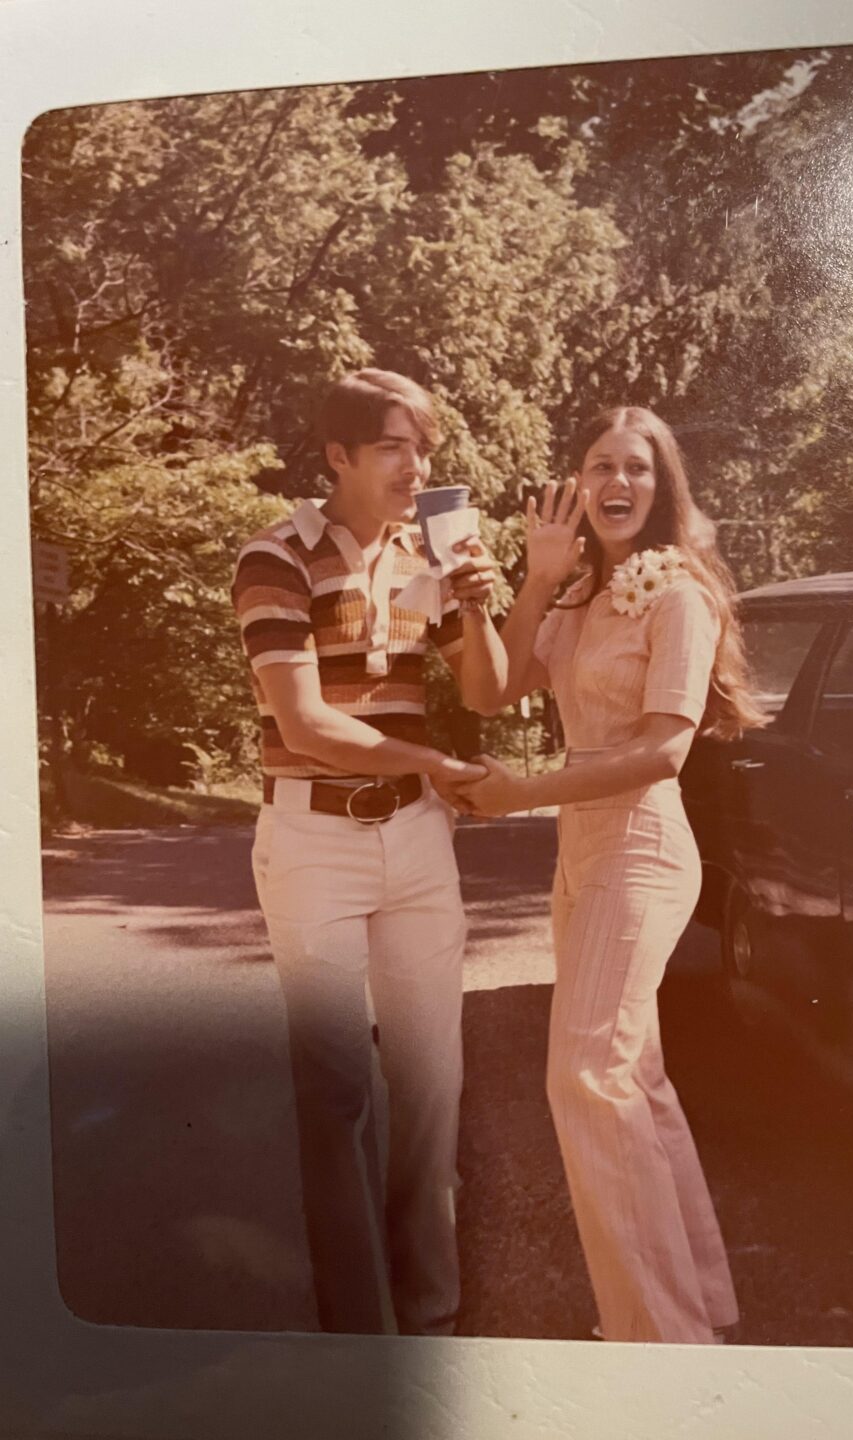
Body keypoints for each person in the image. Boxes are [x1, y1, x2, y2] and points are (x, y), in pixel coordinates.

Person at [461, 406, 768, 1344]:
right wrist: (530, 581)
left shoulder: (678, 596)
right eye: (600, 466)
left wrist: (523, 793)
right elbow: (488, 689)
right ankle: (701, 1310)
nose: (617, 483)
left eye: (637, 467)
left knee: (586, 1077)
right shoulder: (582, 593)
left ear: (662, 488)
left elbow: (663, 753)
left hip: (642, 848)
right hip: (582, 852)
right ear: (578, 485)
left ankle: (659, 1344)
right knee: (632, 1077)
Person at [231, 369, 505, 1336]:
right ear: (338, 455)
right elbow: (301, 722)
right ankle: (358, 1336)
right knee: (338, 1092)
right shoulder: (277, 558)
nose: (416, 464)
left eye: (423, 448)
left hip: (418, 841)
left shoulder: (424, 554)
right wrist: (434, 761)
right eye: (393, 446)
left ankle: (429, 1318)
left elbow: (482, 696)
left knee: (433, 1082)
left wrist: (475, 605)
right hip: (313, 840)